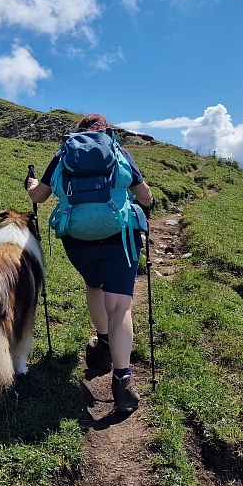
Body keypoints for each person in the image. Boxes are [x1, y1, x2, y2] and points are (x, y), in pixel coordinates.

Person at [26, 113, 153, 412]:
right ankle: (122, 382)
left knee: (94, 285)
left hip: (78, 239)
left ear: (78, 132)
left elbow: (40, 196)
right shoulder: (119, 152)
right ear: (105, 131)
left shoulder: (63, 155)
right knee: (120, 307)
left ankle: (104, 345)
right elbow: (144, 195)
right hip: (119, 237)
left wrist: (31, 183)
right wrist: (145, 203)